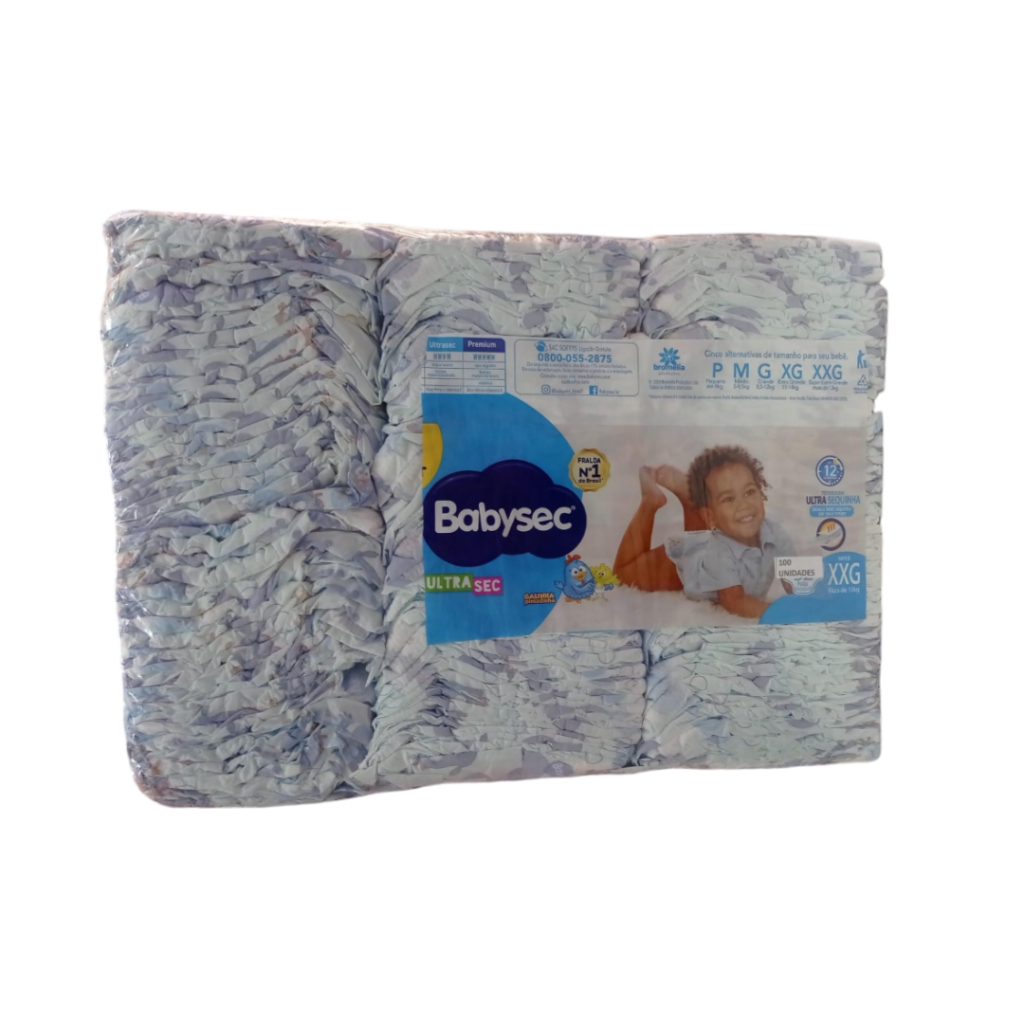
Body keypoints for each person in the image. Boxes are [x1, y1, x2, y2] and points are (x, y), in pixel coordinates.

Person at [612, 445, 794, 618]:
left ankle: (692, 499)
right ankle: (649, 501)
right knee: (620, 575)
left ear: (762, 494)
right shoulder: (720, 553)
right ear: (710, 516)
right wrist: (784, 612)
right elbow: (735, 602)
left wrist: (803, 601)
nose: (743, 505)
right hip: (684, 563)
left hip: (708, 539)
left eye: (749, 492)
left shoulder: (777, 535)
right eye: (729, 499)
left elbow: (796, 583)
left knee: (722, 523)